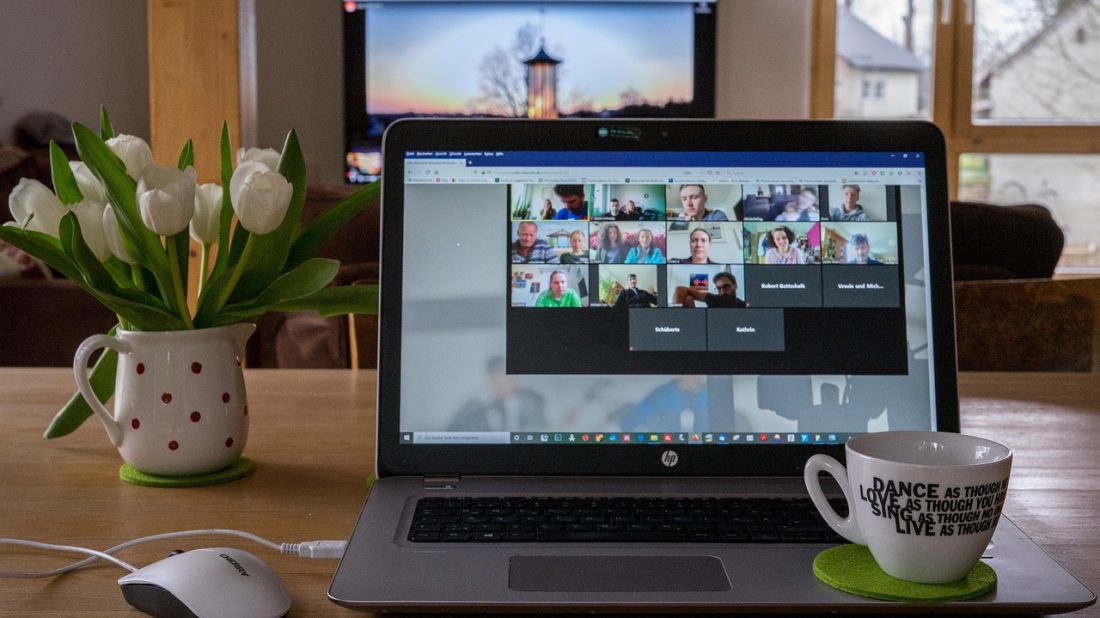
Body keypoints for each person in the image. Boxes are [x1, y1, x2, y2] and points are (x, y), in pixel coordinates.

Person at [447, 356, 545, 432]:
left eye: (511, 377)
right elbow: (453, 429)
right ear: (491, 380)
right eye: (498, 377)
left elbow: (536, 429)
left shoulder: (530, 402)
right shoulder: (473, 405)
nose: (504, 382)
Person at [674, 271, 746, 308]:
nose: (722, 292)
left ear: (735, 286)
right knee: (688, 298)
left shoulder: (743, 305)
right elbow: (679, 289)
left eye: (726, 287)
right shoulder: (715, 299)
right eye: (719, 288)